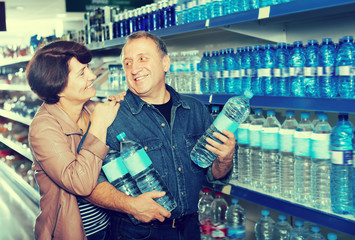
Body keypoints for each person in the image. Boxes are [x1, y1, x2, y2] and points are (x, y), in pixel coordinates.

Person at [86, 31, 235, 240]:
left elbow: (214, 174)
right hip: (137, 233)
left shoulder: (195, 110)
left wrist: (225, 158)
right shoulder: (111, 116)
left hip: (190, 228)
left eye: (142, 59)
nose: (134, 68)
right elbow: (88, 183)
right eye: (127, 63)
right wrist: (131, 205)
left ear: (165, 63)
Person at [26, 40, 122, 240]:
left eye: (88, 68)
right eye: (82, 73)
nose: (92, 76)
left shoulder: (90, 108)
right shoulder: (43, 128)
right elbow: (81, 183)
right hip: (76, 233)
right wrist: (98, 127)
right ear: (58, 88)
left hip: (109, 225)